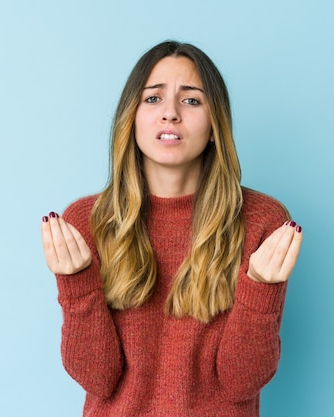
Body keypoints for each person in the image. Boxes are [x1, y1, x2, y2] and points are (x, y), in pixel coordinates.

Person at [41, 40, 302, 417]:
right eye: (152, 99)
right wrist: (77, 284)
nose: (170, 114)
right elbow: (97, 378)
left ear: (215, 125)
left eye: (191, 100)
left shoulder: (261, 220)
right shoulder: (87, 221)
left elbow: (241, 382)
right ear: (130, 118)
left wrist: (260, 289)